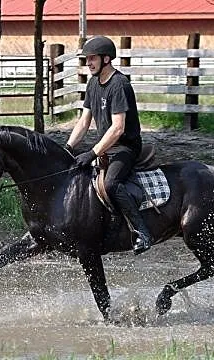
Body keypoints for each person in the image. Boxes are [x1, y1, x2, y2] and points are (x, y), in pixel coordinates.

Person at [65, 35, 152, 255]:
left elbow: (118, 128)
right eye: (87, 60)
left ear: (106, 59)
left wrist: (92, 152)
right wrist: (68, 148)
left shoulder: (119, 84)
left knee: (111, 183)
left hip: (125, 147)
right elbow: (84, 122)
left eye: (92, 59)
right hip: (105, 147)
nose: (89, 63)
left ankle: (143, 232)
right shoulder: (93, 83)